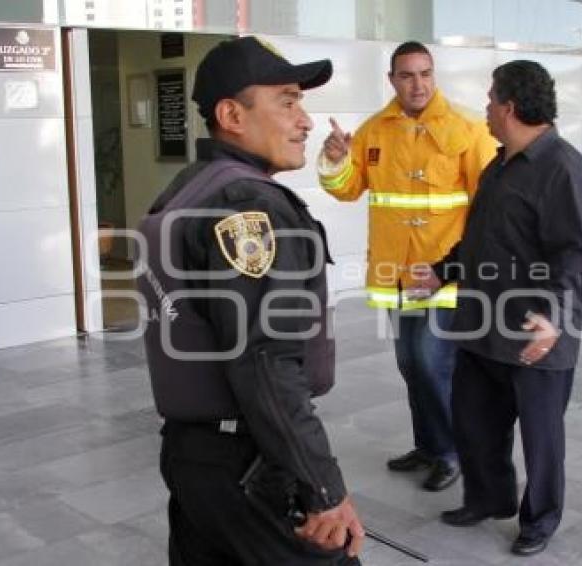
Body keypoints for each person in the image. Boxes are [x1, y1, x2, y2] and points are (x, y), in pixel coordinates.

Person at [136, 36, 364, 565]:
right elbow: (265, 362)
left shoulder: (188, 191)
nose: (305, 120)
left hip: (195, 457)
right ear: (231, 115)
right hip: (246, 462)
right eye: (287, 101)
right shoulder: (251, 208)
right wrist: (323, 491)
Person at [413, 60, 582, 557]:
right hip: (482, 327)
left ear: (510, 107)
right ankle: (488, 499)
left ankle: (540, 518)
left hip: (534, 335)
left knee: (541, 438)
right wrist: (444, 270)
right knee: (474, 423)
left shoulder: (563, 168)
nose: (486, 109)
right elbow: (477, 241)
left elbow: (575, 256)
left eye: (491, 99)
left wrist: (553, 317)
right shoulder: (499, 165)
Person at [317, 41, 496, 492]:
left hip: (443, 269)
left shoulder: (468, 129)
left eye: (425, 74)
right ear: (392, 79)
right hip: (397, 271)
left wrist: (467, 265)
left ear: (434, 76)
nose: (418, 84)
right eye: (407, 75)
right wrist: (336, 160)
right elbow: (347, 188)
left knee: (432, 361)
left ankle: (451, 452)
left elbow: (489, 201)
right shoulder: (375, 131)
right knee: (409, 363)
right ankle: (429, 445)